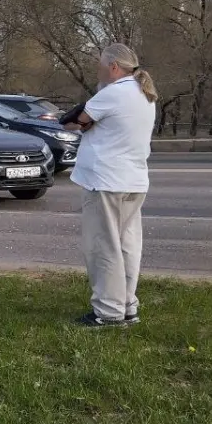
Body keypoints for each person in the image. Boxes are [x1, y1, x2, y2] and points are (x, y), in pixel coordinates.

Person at [66, 43, 158, 327]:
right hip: (133, 181)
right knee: (128, 245)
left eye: (101, 64)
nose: (98, 69)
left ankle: (107, 311)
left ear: (114, 67)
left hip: (105, 182)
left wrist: (78, 120)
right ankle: (127, 305)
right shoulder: (145, 94)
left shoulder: (113, 93)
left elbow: (78, 121)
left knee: (103, 246)